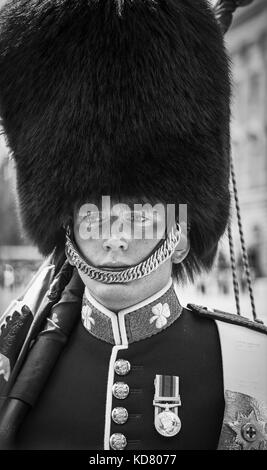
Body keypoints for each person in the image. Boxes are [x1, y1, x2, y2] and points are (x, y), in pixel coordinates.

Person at [0, 0, 266, 451]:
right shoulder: (15, 358)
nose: (116, 236)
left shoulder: (250, 365)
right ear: (66, 230)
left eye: (141, 216)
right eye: (93, 216)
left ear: (178, 236)